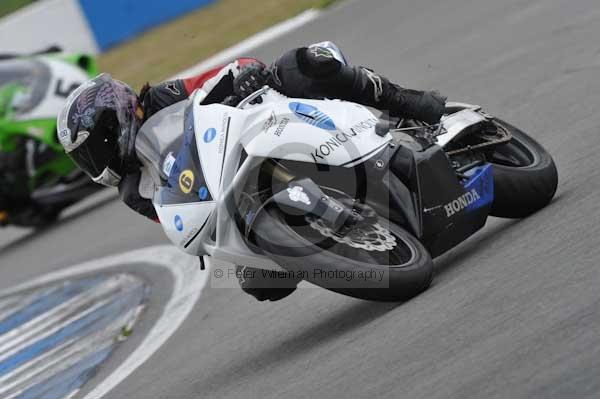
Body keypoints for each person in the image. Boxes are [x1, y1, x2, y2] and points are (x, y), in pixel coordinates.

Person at [57, 42, 446, 301]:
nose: (96, 161)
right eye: (85, 157)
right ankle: (335, 236)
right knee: (261, 283)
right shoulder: (131, 189)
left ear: (115, 120)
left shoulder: (164, 96)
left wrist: (244, 74)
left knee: (303, 64)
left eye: (95, 147)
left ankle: (405, 104)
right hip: (233, 201)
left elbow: (220, 75)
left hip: (262, 129)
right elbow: (178, 218)